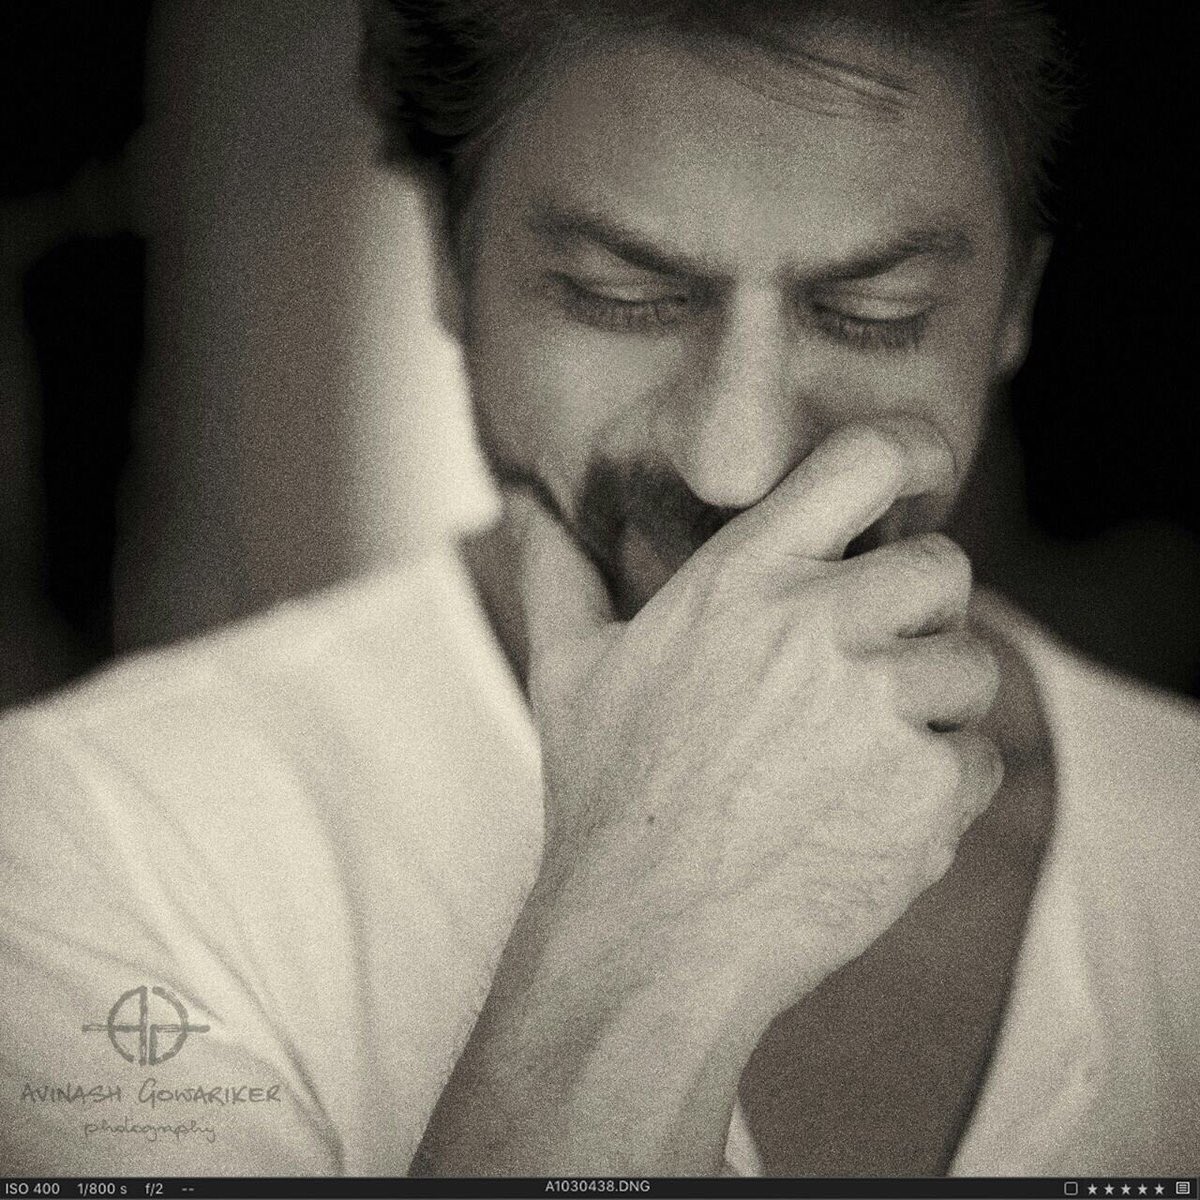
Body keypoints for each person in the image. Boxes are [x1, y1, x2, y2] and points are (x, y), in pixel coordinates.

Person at [2, 0, 1197, 1179]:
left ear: (1014, 305)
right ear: (450, 265)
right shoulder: (95, 841)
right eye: (618, 295)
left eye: (872, 315)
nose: (736, 465)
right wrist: (648, 944)